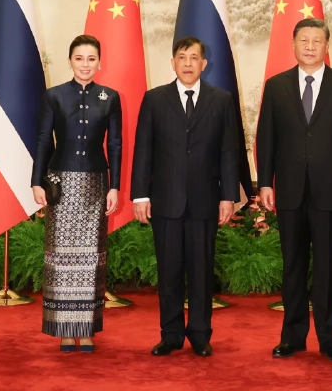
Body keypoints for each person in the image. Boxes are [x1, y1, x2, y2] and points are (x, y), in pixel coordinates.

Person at [256, 18, 332, 363]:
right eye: (303, 40)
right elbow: (267, 139)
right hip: (289, 191)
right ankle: (291, 337)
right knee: (292, 266)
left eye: (316, 41)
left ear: (326, 47)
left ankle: (330, 339)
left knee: (328, 267)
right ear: (293, 45)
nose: (309, 46)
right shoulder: (276, 87)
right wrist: (264, 181)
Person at [131, 36, 242, 358]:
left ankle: (200, 335)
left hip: (205, 201)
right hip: (166, 201)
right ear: (173, 63)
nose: (189, 63)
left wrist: (228, 196)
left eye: (195, 58)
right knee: (169, 272)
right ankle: (171, 335)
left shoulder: (220, 100)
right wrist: (140, 195)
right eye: (183, 57)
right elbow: (144, 151)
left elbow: (228, 152)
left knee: (201, 271)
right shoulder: (155, 99)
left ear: (204, 64)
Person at [31, 34, 122, 354]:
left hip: (96, 185)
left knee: (90, 259)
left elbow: (115, 145)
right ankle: (64, 331)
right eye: (79, 58)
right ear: (70, 61)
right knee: (62, 257)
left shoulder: (110, 97)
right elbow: (43, 139)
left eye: (91, 59)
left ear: (100, 62)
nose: (86, 65)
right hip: (61, 184)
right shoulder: (54, 96)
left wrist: (115, 186)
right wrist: (36, 181)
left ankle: (86, 331)